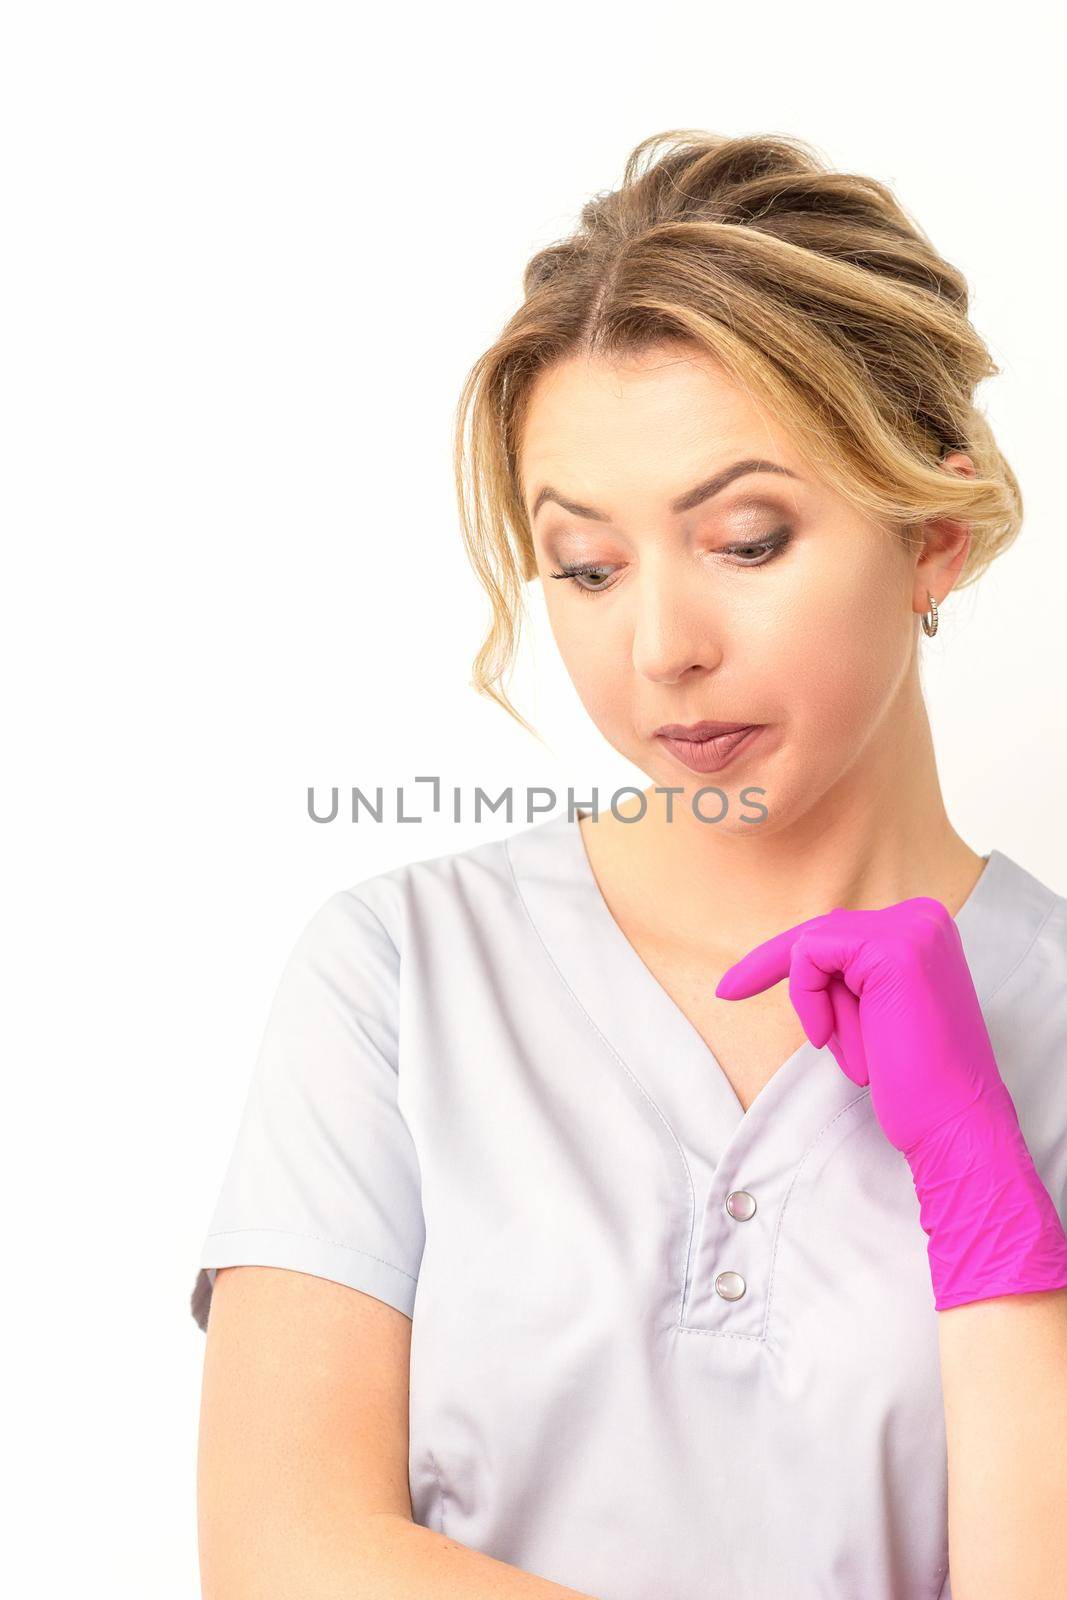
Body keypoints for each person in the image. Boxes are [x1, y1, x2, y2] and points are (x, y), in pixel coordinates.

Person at [191, 129, 1067, 1600]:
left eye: (747, 537)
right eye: (587, 568)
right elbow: (284, 1556)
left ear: (935, 531)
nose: (661, 649)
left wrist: (991, 1219)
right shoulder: (401, 974)